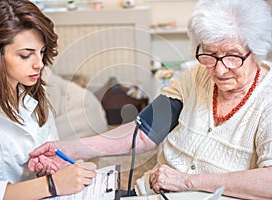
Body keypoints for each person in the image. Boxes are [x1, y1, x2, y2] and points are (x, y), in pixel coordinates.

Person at [28, 0, 272, 199]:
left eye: (232, 56)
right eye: (209, 54)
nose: (219, 70)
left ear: (257, 49)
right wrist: (66, 148)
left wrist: (188, 182)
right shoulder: (196, 77)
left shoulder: (267, 98)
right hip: (150, 192)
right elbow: (143, 133)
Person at [0, 0, 96, 199]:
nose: (39, 64)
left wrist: (48, 168)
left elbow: (47, 154)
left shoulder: (31, 95)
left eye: (42, 52)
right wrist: (51, 184)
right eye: (25, 55)